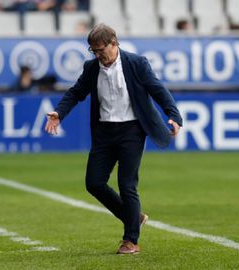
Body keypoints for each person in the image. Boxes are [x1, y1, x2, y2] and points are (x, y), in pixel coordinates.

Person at [45, 23, 182, 255]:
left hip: (131, 131)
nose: (98, 55)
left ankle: (131, 241)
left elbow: (158, 89)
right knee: (94, 183)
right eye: (93, 51)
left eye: (101, 50)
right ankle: (133, 218)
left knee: (127, 185)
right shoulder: (91, 68)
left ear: (114, 43)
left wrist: (174, 115)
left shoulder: (137, 63)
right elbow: (76, 92)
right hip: (104, 133)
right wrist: (59, 113)